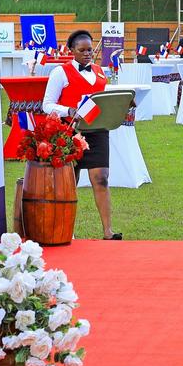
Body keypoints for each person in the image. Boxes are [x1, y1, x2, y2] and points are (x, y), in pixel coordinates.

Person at [39, 30, 121, 240]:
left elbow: (103, 100)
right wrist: (69, 110)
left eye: (90, 50)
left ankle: (108, 231)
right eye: (82, 50)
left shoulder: (100, 71)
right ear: (71, 50)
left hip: (97, 130)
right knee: (69, 183)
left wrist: (121, 105)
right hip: (70, 132)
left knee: (101, 178)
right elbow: (46, 105)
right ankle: (67, 231)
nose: (87, 54)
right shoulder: (60, 72)